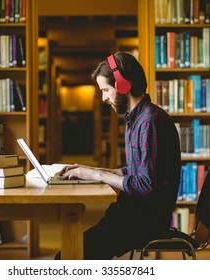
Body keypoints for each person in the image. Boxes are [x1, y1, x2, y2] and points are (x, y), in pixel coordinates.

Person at [57, 51, 181, 260]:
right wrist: (89, 170)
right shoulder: (137, 118)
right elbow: (134, 172)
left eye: (106, 89)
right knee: (72, 253)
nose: (104, 98)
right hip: (132, 214)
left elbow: (145, 185)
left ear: (123, 85)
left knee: (69, 257)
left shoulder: (149, 122)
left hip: (143, 221)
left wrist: (96, 176)